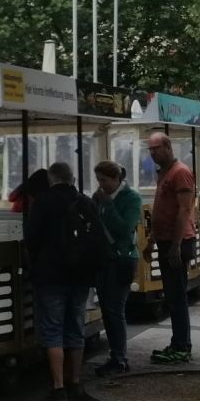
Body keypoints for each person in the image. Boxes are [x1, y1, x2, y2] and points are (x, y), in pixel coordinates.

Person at [24, 162, 103, 401]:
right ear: (72, 178)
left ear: (52, 178)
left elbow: (32, 238)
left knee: (53, 330)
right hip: (80, 277)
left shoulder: (43, 203)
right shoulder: (86, 202)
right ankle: (75, 382)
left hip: (51, 276)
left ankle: (58, 387)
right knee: (75, 327)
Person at [147, 132, 196, 364]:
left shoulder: (180, 173)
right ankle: (179, 343)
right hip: (166, 241)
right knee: (173, 296)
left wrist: (176, 245)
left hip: (178, 242)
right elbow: (161, 211)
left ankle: (181, 346)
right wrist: (152, 240)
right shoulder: (165, 173)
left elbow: (184, 210)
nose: (152, 153)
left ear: (167, 147)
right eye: (150, 149)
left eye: (155, 148)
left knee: (177, 296)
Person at [91, 161, 142, 377]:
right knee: (107, 311)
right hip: (103, 260)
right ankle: (115, 356)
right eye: (99, 180)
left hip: (121, 260)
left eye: (104, 180)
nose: (101, 185)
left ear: (116, 179)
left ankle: (120, 358)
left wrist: (107, 205)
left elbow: (124, 228)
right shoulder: (102, 198)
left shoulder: (131, 198)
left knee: (115, 310)